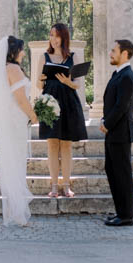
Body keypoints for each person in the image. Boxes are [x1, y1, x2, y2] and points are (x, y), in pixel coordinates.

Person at [0, 35, 38, 226]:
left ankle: (13, 209)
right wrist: (33, 115)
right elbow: (20, 98)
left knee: (12, 162)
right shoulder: (13, 69)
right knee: (16, 162)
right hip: (16, 120)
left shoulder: (4, 69)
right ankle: (18, 213)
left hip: (11, 120)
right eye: (21, 49)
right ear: (14, 51)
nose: (23, 53)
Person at [37, 23, 87, 198]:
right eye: (51, 35)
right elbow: (38, 85)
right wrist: (42, 79)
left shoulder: (74, 57)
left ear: (64, 38)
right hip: (49, 101)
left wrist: (67, 82)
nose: (53, 39)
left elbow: (78, 84)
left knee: (66, 144)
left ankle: (66, 185)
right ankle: (53, 185)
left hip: (68, 102)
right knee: (52, 144)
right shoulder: (44, 57)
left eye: (57, 36)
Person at [100, 38, 133, 226]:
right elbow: (111, 103)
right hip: (113, 133)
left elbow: (122, 106)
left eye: (114, 50)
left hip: (120, 133)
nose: (111, 53)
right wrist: (103, 120)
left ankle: (126, 216)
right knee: (112, 172)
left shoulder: (127, 76)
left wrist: (107, 123)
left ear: (125, 54)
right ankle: (120, 212)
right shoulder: (118, 74)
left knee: (122, 174)